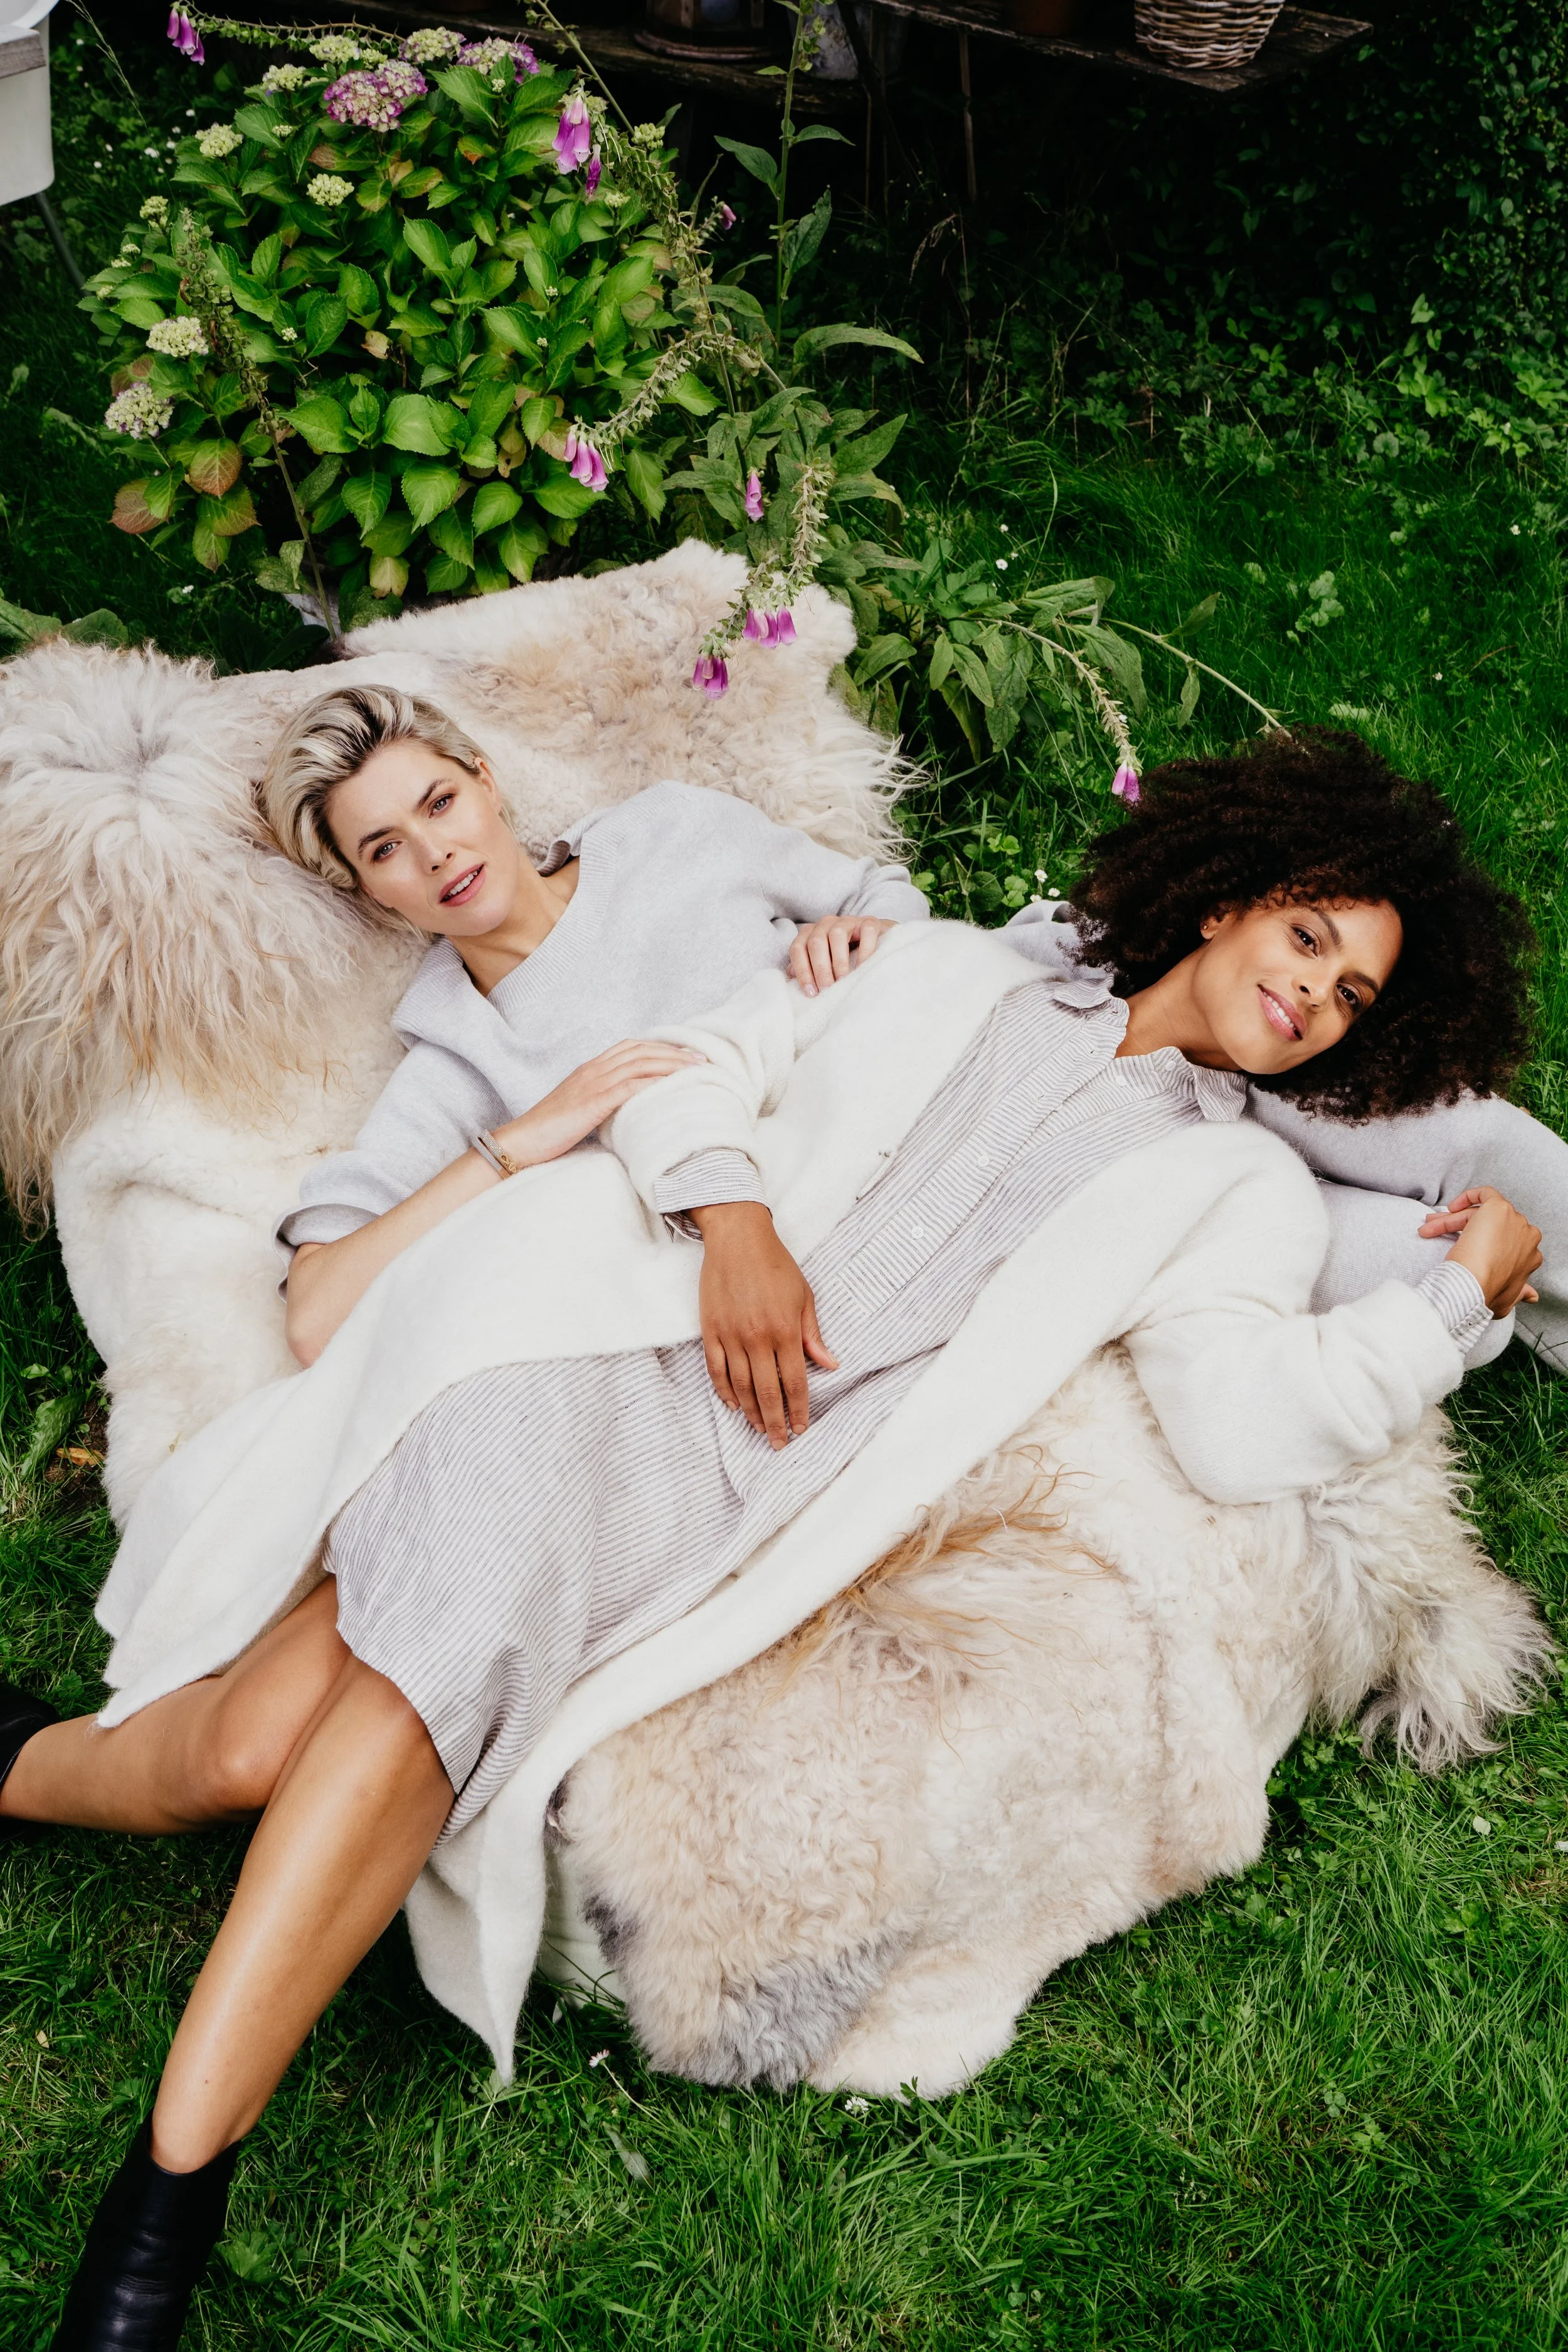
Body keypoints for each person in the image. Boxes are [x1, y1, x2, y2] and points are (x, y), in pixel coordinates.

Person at [1, 729, 1545, 2350]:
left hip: (742, 1500)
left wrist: (1455, 1300)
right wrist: (733, 1217)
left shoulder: (1240, 1192)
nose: (1312, 995)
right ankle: (158, 2221)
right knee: (424, 1680)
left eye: (1352, 997)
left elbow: (1246, 1417)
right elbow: (705, 1059)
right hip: (590, 1333)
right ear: (1228, 896)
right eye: (1307, 938)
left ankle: (22, 1757)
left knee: (252, 1744)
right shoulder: (950, 968)